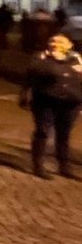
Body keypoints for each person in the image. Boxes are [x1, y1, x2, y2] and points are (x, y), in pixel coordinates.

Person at [20, 34, 82, 180]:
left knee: (64, 134)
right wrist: (58, 62)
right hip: (45, 101)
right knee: (42, 131)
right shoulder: (41, 57)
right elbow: (34, 72)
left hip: (70, 101)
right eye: (52, 41)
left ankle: (64, 166)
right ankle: (38, 166)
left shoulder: (77, 58)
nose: (55, 43)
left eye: (60, 41)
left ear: (69, 45)